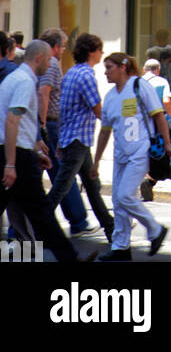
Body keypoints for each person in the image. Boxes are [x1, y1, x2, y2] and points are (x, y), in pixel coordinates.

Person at [0, 39, 80, 263]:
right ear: (38, 58)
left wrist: (35, 151)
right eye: (49, 60)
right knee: (42, 214)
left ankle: (69, 257)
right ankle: (70, 258)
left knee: (41, 214)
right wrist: (11, 163)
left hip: (18, 152)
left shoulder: (15, 79)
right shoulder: (24, 82)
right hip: (16, 155)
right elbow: (12, 121)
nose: (51, 64)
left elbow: (18, 122)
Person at [91, 53, 171, 261]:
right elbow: (105, 131)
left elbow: (159, 116)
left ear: (123, 67)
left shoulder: (139, 86)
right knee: (118, 202)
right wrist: (97, 160)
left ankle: (155, 229)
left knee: (125, 196)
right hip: (120, 155)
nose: (106, 71)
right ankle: (121, 247)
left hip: (140, 151)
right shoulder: (109, 97)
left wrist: (168, 144)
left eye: (109, 67)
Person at [46, 32, 114, 242]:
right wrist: (114, 124)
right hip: (78, 139)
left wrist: (59, 141)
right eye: (100, 49)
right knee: (60, 187)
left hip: (73, 138)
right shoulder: (86, 75)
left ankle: (111, 228)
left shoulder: (71, 73)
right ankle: (36, 225)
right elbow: (97, 108)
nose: (102, 53)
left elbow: (63, 110)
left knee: (92, 185)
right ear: (91, 52)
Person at [37, 28, 90, 234]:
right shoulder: (51, 63)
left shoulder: (45, 62)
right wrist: (42, 126)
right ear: (56, 47)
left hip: (46, 124)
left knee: (54, 173)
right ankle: (77, 220)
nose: (64, 50)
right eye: (63, 46)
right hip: (49, 124)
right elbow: (44, 93)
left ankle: (75, 220)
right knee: (62, 173)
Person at [139, 60, 171, 202]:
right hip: (157, 123)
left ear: (143, 70)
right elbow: (166, 101)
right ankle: (150, 180)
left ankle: (144, 179)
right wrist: (169, 118)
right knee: (158, 154)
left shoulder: (137, 82)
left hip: (140, 124)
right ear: (158, 70)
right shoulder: (162, 81)